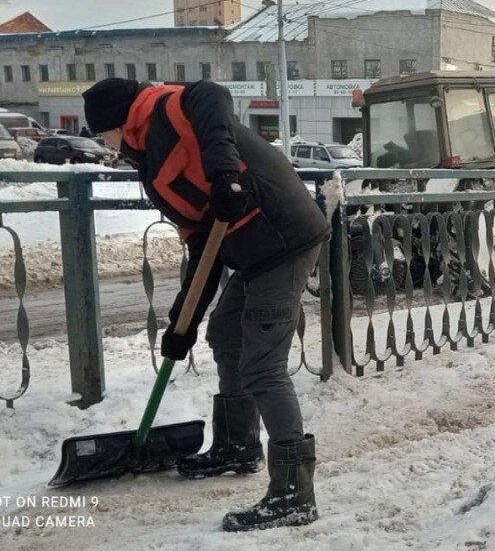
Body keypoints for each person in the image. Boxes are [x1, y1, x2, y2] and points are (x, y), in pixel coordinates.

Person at [83, 78, 330, 531]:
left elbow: (210, 94)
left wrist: (224, 177)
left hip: (285, 237)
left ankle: (295, 493)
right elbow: (203, 244)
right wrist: (184, 321)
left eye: (103, 135)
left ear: (117, 122)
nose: (106, 145)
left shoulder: (164, 109)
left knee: (263, 366)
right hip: (252, 250)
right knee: (223, 332)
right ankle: (238, 445)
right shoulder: (150, 161)